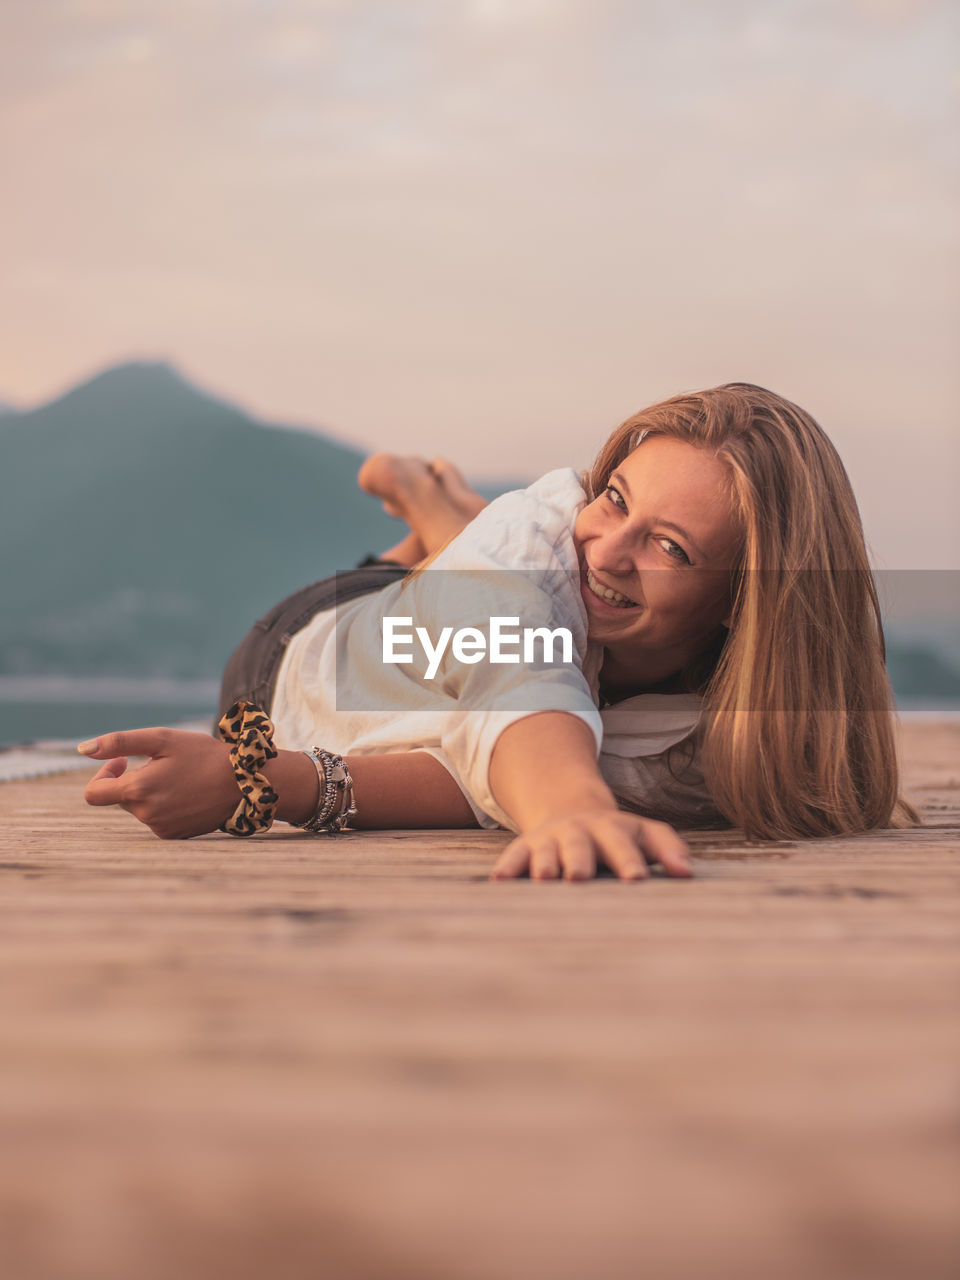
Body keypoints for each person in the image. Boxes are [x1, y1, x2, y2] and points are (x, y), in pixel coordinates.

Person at [79, 383, 918, 879]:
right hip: (307, 653)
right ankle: (439, 517)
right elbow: (524, 684)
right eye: (615, 495)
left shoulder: (722, 737)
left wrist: (275, 783)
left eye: (669, 545)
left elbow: (477, 778)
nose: (612, 548)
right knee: (519, 578)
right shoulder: (546, 546)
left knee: (522, 584)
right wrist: (568, 808)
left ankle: (449, 525)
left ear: (749, 601)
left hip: (470, 632)